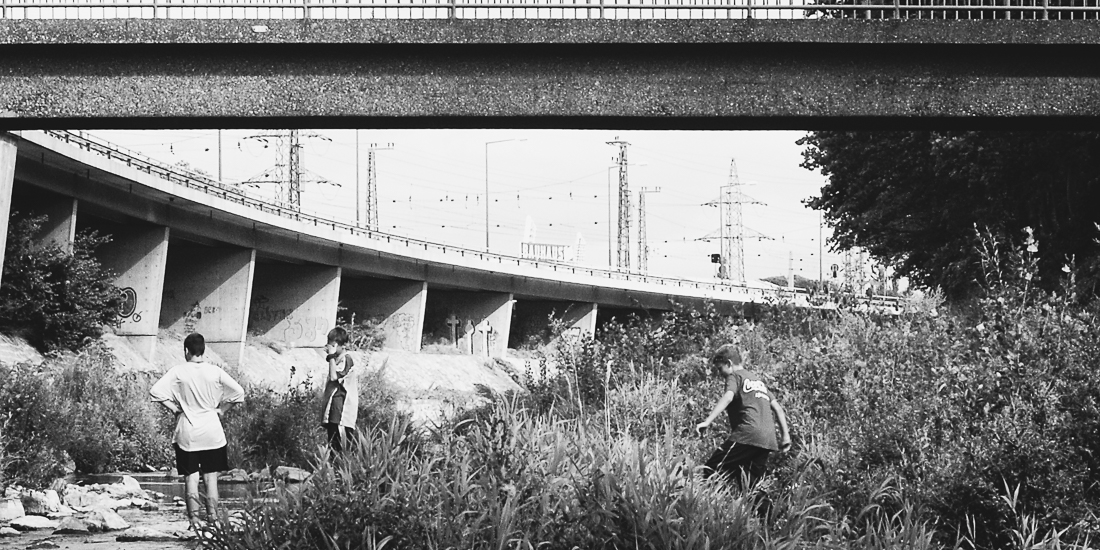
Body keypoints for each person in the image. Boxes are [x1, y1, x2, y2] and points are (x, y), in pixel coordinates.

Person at [150, 333, 245, 530]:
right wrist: (222, 410)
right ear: (203, 350)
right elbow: (238, 393)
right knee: (211, 478)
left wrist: (175, 409)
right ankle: (213, 518)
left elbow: (155, 392)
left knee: (191, 478)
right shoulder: (215, 371)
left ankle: (194, 520)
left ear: (186, 351)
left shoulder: (178, 371)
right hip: (212, 431)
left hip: (188, 432)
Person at [696, 344, 791, 489]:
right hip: (767, 440)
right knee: (751, 487)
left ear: (729, 363)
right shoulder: (757, 381)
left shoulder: (735, 376)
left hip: (748, 435)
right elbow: (777, 408)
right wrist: (785, 436)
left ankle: (703, 505)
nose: (720, 373)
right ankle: (771, 512)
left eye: (720, 368)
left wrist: (707, 422)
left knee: (712, 468)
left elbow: (728, 397)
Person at [320, 326, 358, 455]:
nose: (331, 348)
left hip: (342, 411)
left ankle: (341, 472)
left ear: (344, 345)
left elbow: (334, 376)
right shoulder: (336, 359)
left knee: (341, 448)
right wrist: (331, 357)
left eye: (334, 345)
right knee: (332, 445)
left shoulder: (346, 359)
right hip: (333, 409)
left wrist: (330, 356)